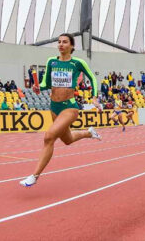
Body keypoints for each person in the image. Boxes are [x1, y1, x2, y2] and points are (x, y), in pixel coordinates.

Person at [20, 33, 102, 187]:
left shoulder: (77, 63)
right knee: (67, 140)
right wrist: (38, 87)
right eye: (59, 42)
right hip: (54, 107)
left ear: (71, 46)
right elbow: (46, 84)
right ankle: (89, 132)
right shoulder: (51, 62)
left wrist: (94, 97)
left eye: (65, 42)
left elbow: (92, 77)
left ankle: (34, 176)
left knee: (49, 137)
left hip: (69, 107)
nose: (61, 44)